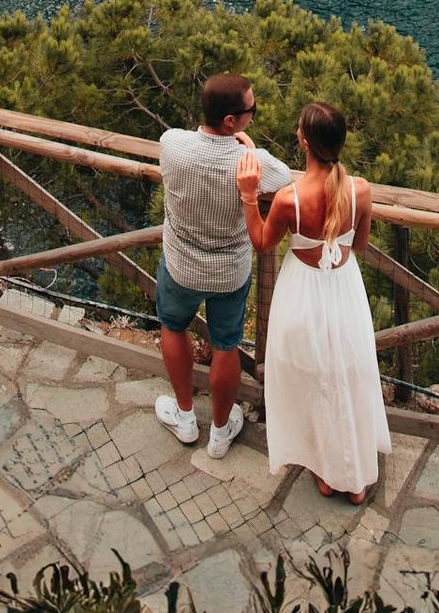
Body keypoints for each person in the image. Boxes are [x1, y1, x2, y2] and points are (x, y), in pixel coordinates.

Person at [236, 101, 391, 503]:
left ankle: (328, 471)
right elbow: (358, 244)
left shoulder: (289, 199)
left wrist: (250, 196)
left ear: (303, 141)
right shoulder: (360, 190)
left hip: (304, 290)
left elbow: (261, 241)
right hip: (344, 287)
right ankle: (355, 476)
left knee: (315, 376)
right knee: (348, 373)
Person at [156, 72, 290, 460]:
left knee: (173, 327)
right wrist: (248, 147)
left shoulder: (172, 145)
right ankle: (219, 432)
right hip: (229, 272)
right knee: (226, 345)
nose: (255, 113)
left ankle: (184, 417)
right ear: (231, 121)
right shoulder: (251, 162)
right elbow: (283, 176)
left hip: (180, 263)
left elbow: (175, 142)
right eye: (252, 109)